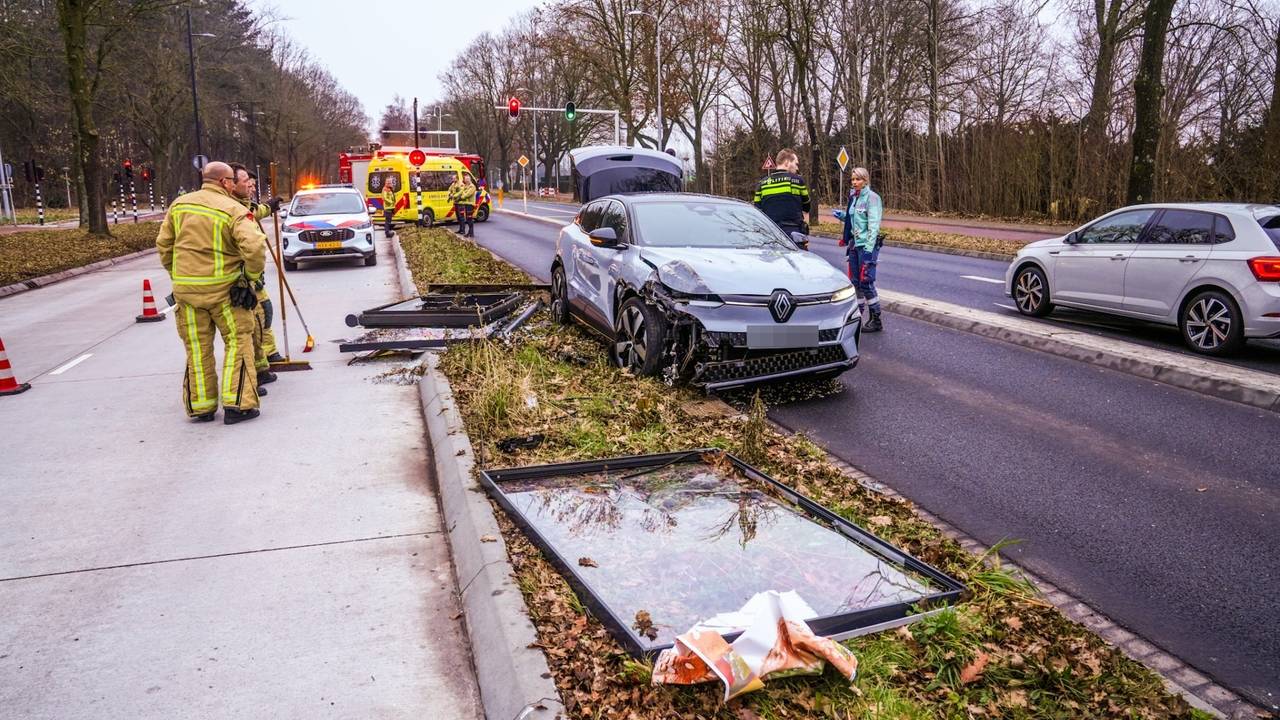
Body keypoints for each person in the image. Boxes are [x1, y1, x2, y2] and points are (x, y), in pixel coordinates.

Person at [156, 161, 267, 424]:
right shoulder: (233, 209)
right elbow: (254, 248)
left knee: (197, 348)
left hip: (187, 294)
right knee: (238, 342)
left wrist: (178, 275)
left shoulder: (179, 205)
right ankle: (237, 404)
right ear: (224, 182)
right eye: (231, 180)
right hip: (226, 292)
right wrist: (249, 278)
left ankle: (200, 406)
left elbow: (164, 245)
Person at [228, 163, 283, 389]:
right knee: (250, 327)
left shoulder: (243, 204)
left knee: (262, 318)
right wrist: (250, 276)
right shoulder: (231, 207)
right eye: (246, 183)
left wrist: (269, 208)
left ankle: (262, 365)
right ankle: (255, 372)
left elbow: (254, 211)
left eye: (252, 184)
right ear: (230, 184)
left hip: (251, 278)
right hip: (241, 279)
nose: (251, 187)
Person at [837, 167, 885, 332]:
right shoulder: (854, 198)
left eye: (858, 179)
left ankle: (876, 319)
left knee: (866, 283)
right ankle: (857, 316)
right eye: (852, 179)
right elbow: (855, 218)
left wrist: (868, 250)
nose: (855, 182)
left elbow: (873, 226)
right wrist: (843, 216)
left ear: (865, 180)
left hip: (866, 246)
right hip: (854, 245)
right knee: (855, 283)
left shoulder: (872, 198)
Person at [752, 148, 811, 249]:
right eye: (796, 164)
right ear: (787, 162)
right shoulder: (797, 181)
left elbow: (757, 211)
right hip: (793, 234)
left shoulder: (762, 184)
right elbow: (807, 206)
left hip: (769, 235)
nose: (797, 168)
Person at [448, 172, 477, 238]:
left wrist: (459, 196)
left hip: (470, 204)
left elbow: (466, 195)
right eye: (465, 180)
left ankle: (471, 233)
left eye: (467, 180)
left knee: (469, 219)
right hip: (465, 204)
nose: (465, 181)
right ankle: (469, 233)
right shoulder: (465, 186)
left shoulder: (472, 186)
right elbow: (461, 192)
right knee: (467, 219)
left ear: (469, 180)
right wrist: (453, 195)